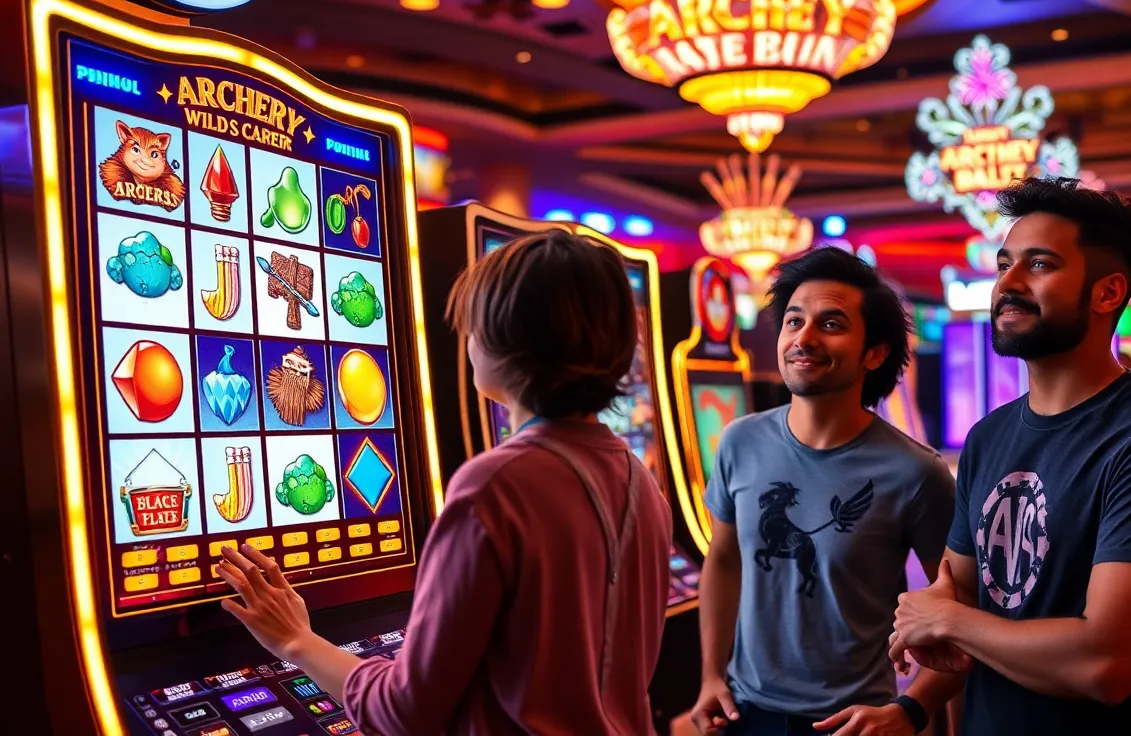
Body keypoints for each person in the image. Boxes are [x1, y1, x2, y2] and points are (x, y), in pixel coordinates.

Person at [215, 230, 674, 735]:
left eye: (473, 324)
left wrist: (296, 642)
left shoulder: (497, 486)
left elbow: (404, 714)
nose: (467, 338)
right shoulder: (642, 483)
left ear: (507, 339)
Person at [888, 177, 1131, 736]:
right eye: (1003, 264)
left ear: (1108, 293)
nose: (1007, 284)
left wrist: (949, 619)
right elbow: (966, 601)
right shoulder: (988, 437)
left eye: (1038, 265)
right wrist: (911, 708)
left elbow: (1105, 663)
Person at [692, 247, 956, 735]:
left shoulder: (915, 471)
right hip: (746, 713)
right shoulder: (738, 441)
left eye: (831, 325)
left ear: (873, 352)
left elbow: (964, 614)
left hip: (854, 721)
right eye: (794, 321)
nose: (804, 338)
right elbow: (724, 561)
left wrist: (912, 710)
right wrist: (711, 674)